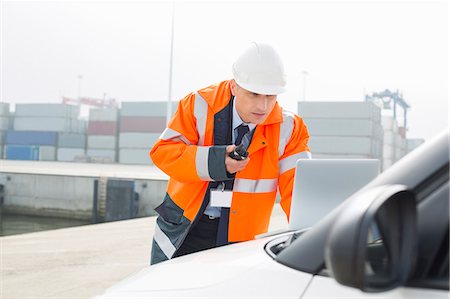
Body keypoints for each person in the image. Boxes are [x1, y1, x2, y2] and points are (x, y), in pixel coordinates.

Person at [149, 42, 311, 265]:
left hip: (240, 240)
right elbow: (163, 152)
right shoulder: (198, 105)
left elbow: (298, 190)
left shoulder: (290, 128)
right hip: (182, 231)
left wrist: (313, 235)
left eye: (271, 96)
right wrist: (215, 162)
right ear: (234, 87)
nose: (263, 106)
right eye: (254, 94)